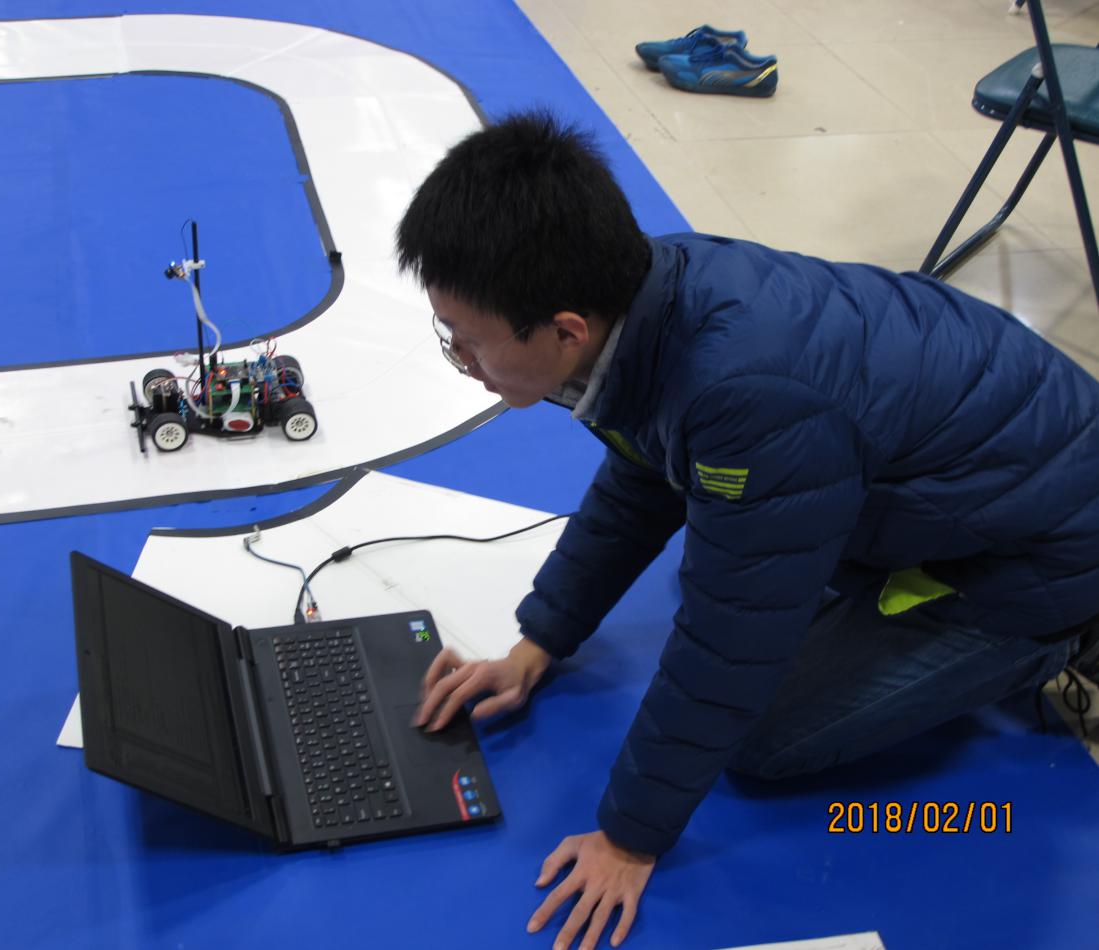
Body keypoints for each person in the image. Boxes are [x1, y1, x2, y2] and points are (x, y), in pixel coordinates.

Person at [399, 110, 1099, 950]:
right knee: (740, 547)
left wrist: (628, 838)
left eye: (468, 345)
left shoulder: (743, 397)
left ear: (564, 330)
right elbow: (644, 473)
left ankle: (1056, 644)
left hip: (1039, 553)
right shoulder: (645, 291)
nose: (464, 364)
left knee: (766, 737)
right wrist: (537, 642)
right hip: (971, 471)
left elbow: (734, 636)